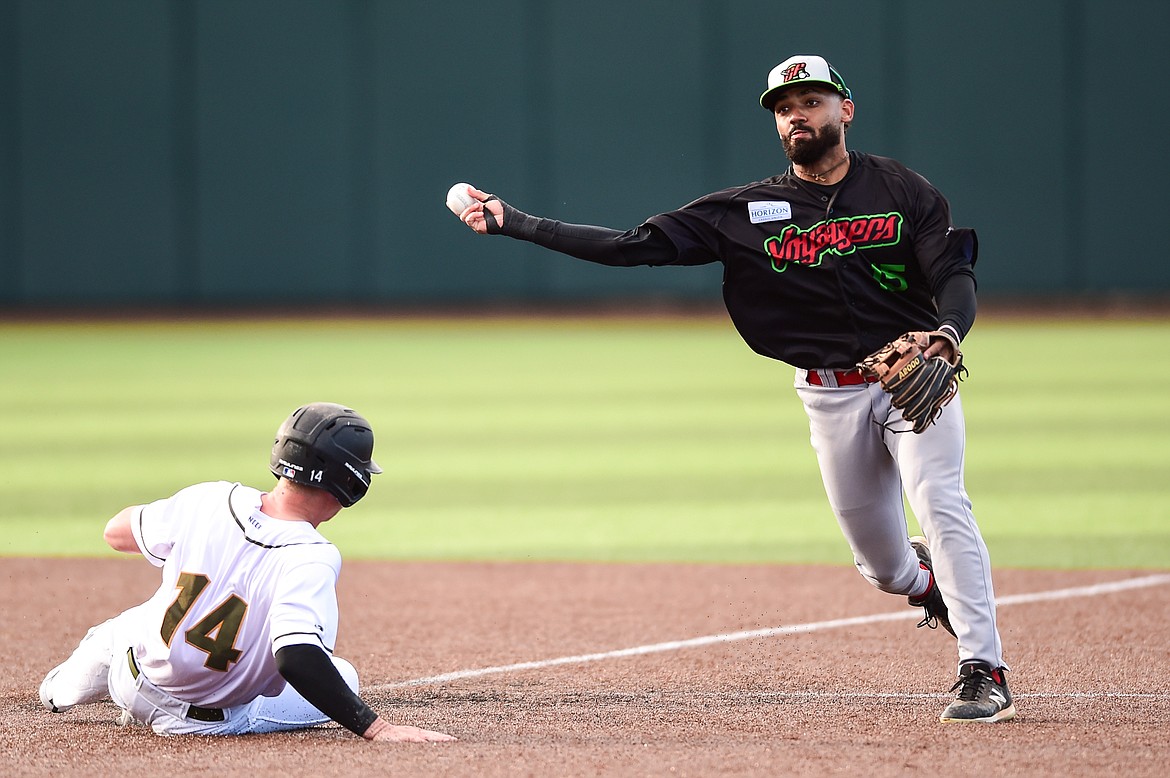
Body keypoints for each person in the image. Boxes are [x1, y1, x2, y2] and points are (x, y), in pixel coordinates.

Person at [452, 54, 1014, 723]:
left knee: (942, 501)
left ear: (845, 109)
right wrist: (518, 222)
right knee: (884, 568)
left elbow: (951, 272)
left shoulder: (902, 189)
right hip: (828, 393)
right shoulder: (745, 210)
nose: (797, 115)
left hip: (913, 381)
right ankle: (926, 587)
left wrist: (947, 334)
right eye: (784, 107)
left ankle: (984, 668)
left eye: (810, 101)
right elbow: (632, 245)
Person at [39, 402, 457, 742]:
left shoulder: (211, 499)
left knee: (138, 621)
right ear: (348, 485)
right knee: (344, 675)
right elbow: (296, 656)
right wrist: (377, 729)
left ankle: (61, 690)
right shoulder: (311, 556)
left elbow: (115, 533)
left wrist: (190, 534)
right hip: (200, 722)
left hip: (134, 674)